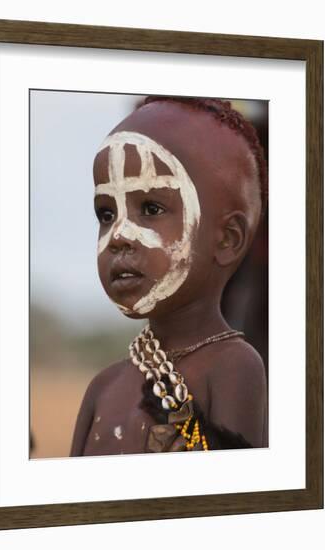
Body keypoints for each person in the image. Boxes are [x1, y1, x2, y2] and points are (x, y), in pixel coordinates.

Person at [70, 96, 268, 456]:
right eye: (106, 214)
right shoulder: (103, 387)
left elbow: (232, 506)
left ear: (227, 239)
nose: (119, 236)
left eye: (150, 208)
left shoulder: (234, 366)